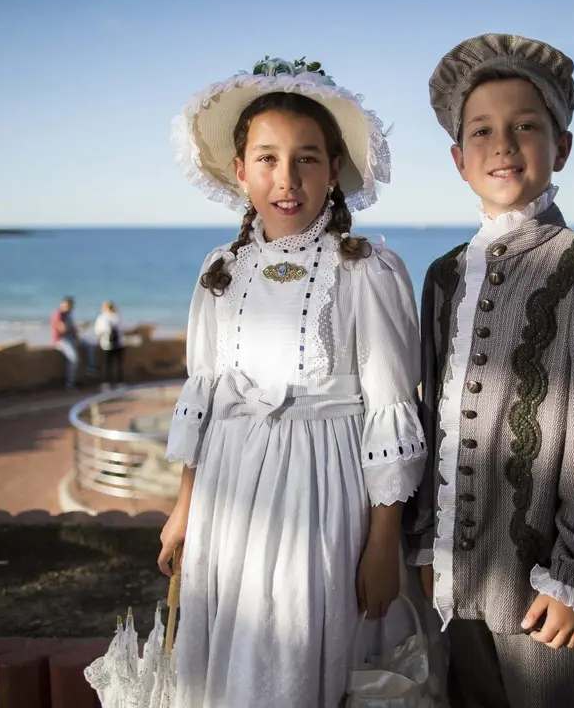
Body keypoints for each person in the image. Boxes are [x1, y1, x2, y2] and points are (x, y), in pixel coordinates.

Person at [157, 56, 428, 706]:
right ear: (240, 169)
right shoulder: (221, 269)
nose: (287, 177)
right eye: (268, 158)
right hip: (230, 491)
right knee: (236, 648)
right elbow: (205, 396)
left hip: (323, 493)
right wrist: (184, 509)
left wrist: (382, 544)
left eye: (307, 158)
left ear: (334, 171)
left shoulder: (368, 270)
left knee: (304, 644)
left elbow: (392, 407)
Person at [403, 34, 574, 708]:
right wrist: (426, 550)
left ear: (560, 148)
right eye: (481, 131)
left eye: (525, 127)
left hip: (543, 593)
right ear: (459, 160)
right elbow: (428, 423)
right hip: (456, 585)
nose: (503, 144)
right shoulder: (442, 276)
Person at [51, 296, 97, 389]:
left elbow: (73, 330)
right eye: (66, 305)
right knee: (74, 359)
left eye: (70, 306)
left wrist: (77, 335)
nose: (68, 307)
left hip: (71, 338)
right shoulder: (58, 313)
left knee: (89, 345)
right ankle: (71, 383)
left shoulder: (69, 314)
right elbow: (62, 329)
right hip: (61, 339)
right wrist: (76, 326)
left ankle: (90, 368)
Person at [93, 300, 125, 389]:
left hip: (113, 343)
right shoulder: (108, 317)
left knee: (113, 364)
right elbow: (98, 331)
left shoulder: (111, 317)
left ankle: (113, 383)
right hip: (112, 343)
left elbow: (97, 331)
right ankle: (111, 383)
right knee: (111, 364)